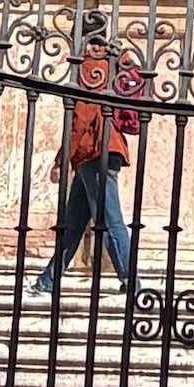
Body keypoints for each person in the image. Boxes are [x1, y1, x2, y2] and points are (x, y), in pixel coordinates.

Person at [33, 40, 150, 306]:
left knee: (109, 220)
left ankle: (132, 282)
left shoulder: (92, 67)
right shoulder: (111, 64)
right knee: (73, 221)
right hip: (97, 153)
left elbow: (81, 118)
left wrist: (61, 160)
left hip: (97, 152)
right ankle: (48, 281)